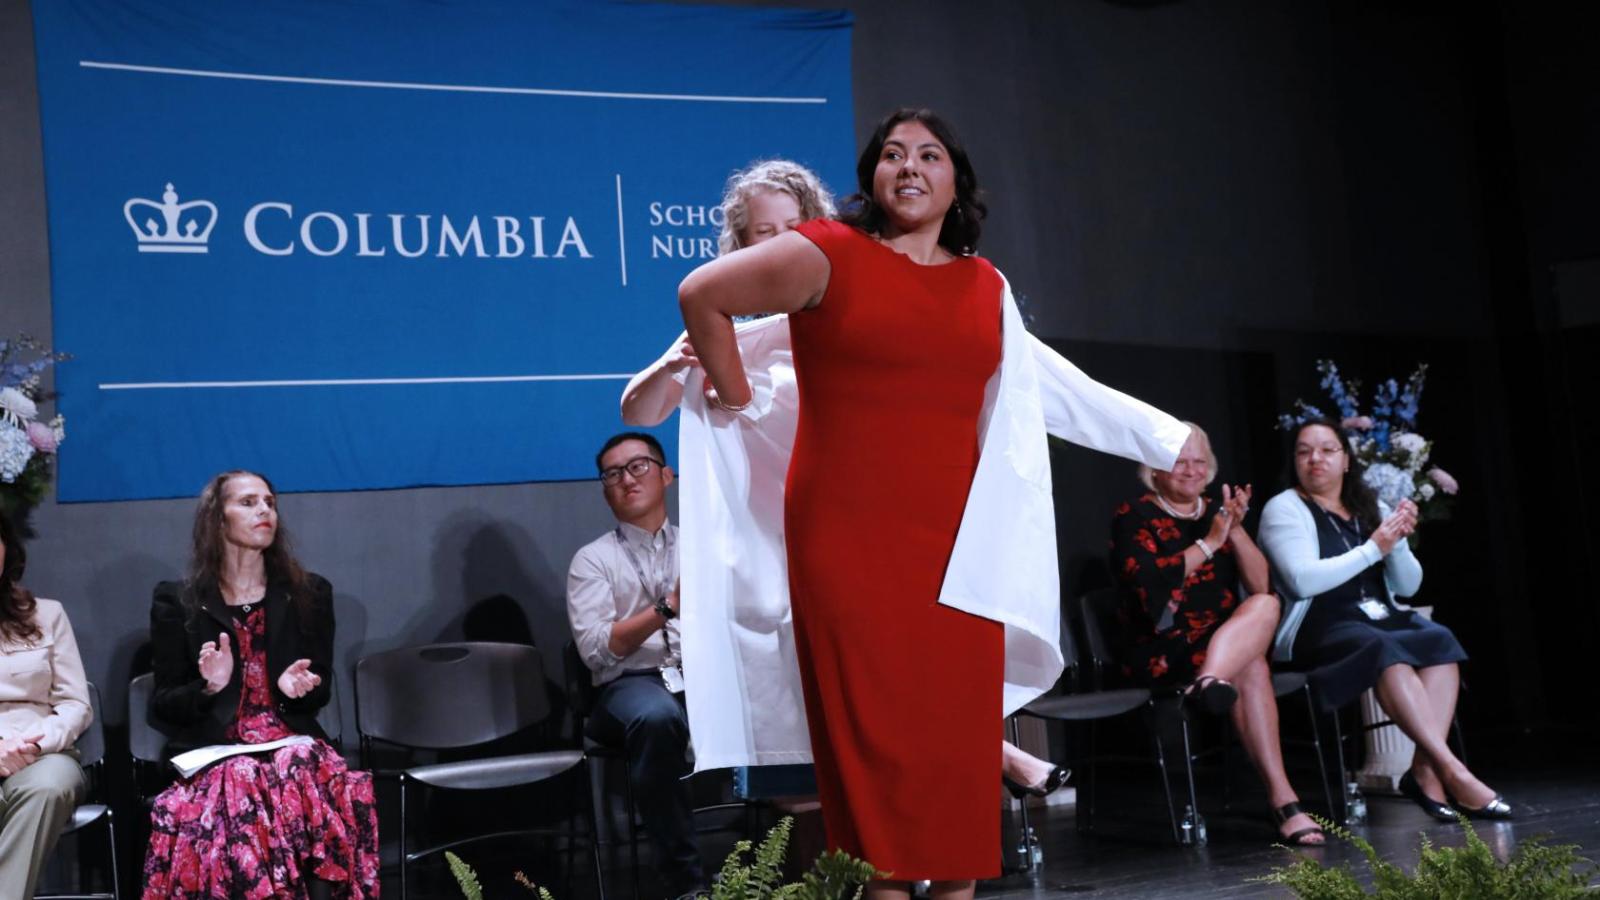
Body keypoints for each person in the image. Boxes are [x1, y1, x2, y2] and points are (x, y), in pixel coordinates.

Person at [677, 108, 1189, 897]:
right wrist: (739, 399)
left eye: (928, 154)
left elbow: (1054, 387)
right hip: (846, 543)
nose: (908, 166)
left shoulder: (984, 285)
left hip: (962, 546)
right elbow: (702, 293)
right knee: (873, 753)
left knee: (956, 745)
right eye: (891, 154)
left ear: (957, 182)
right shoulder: (826, 254)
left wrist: (1163, 438)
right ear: (872, 179)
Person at [623, 158, 1067, 800]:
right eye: (759, 234)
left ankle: (981, 766)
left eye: (790, 229)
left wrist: (1163, 438)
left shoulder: (849, 316)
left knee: (908, 671)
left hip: (864, 528)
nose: (775, 245)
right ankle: (976, 773)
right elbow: (638, 411)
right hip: (767, 544)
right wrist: (673, 364)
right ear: (739, 247)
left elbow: (1027, 371)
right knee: (850, 701)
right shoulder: (725, 330)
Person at [142, 470, 380, 899]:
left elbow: (321, 684)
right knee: (244, 775)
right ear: (218, 520)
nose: (264, 511)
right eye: (248, 503)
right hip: (218, 751)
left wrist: (298, 686)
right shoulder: (177, 601)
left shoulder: (308, 592)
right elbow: (163, 704)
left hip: (290, 741)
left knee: (298, 758)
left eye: (269, 502)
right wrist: (209, 688)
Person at [1258, 418, 1510, 821]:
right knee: (1383, 649)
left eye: (1326, 450)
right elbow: (1302, 581)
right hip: (1321, 624)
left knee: (1439, 640)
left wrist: (1399, 547)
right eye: (1304, 451)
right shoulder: (1284, 508)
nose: (1314, 459)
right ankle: (1452, 770)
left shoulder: (1369, 506)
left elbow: (1408, 587)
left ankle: (1426, 768)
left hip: (1378, 617)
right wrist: (1376, 547)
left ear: (1346, 461)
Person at [1109, 423, 1323, 845]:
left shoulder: (1217, 514)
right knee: (1253, 668)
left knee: (1266, 604)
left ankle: (1209, 680)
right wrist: (1210, 541)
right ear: (1154, 469)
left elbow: (1262, 585)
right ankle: (1285, 804)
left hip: (1218, 642)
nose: (1191, 470)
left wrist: (1236, 528)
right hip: (1161, 643)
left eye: (1199, 462)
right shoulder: (1133, 516)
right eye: (1179, 461)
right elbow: (1151, 587)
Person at [567, 432, 704, 898]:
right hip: (626, 688)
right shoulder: (593, 561)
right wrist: (667, 608)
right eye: (613, 473)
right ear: (605, 491)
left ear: (667, 476)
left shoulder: (703, 548)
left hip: (700, 678)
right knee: (657, 716)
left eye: (639, 466)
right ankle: (685, 883)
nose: (626, 479)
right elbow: (596, 652)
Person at [0, 509, 91, 900]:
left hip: (40, 754)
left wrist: (34, 743)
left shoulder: (46, 614)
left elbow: (75, 703)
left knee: (49, 788)